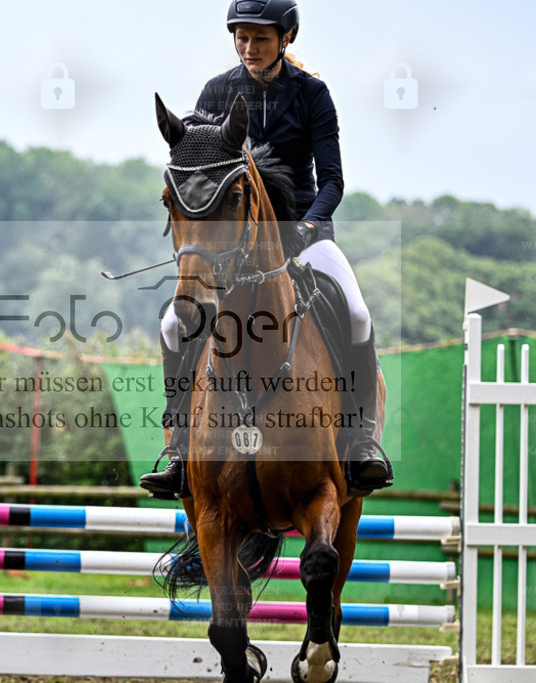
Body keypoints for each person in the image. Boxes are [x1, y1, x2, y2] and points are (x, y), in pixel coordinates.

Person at [139, 0, 393, 500]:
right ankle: (179, 445)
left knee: (359, 313)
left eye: (260, 38)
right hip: (232, 244)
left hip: (304, 234)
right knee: (174, 323)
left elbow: (333, 180)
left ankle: (360, 440)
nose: (249, 47)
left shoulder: (312, 94)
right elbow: (199, 169)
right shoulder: (216, 91)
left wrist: (308, 226)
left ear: (286, 38)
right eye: (242, 37)